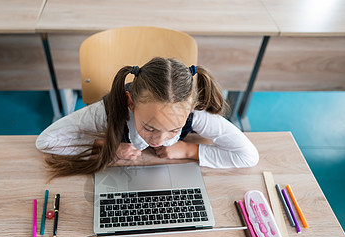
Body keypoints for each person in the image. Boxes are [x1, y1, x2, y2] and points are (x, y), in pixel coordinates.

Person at [36, 57, 259, 178]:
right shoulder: (110, 110)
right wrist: (109, 147)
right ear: (130, 103)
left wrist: (189, 150)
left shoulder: (194, 112)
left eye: (174, 129)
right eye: (150, 128)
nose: (160, 140)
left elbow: (248, 156)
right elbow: (45, 141)